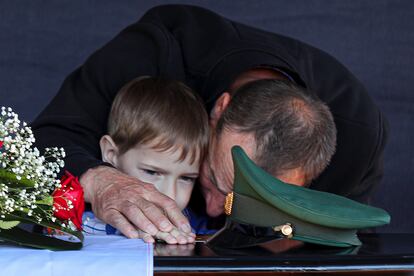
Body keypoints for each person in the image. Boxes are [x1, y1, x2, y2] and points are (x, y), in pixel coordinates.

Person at [31, 5, 388, 242]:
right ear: (219, 109)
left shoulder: (359, 136)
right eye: (216, 180)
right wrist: (102, 182)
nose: (218, 209)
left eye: (266, 198)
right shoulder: (158, 49)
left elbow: (342, 247)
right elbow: (47, 138)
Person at [97, 76, 208, 243]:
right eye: (151, 171)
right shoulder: (79, 229)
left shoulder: (199, 232)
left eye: (186, 178)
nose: (170, 195)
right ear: (111, 153)